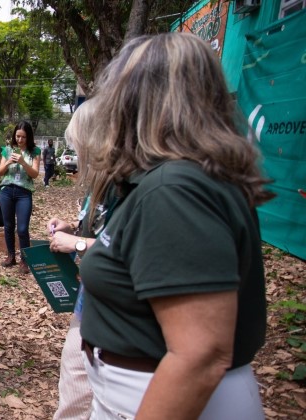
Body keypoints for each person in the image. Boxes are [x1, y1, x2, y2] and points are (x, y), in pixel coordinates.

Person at [78, 32, 273, 419]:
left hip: (165, 399)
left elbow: (199, 355)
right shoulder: (190, 180)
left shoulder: (175, 191)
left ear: (137, 101)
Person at [44, 100, 105, 420]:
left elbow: (127, 248)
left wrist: (77, 243)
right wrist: (73, 226)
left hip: (113, 314)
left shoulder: (136, 187)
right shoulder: (99, 184)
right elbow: (102, 228)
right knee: (73, 390)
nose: (77, 156)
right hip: (89, 302)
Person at [0, 121, 41, 272]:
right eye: (18, 136)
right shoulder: (7, 150)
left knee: (22, 229)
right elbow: (0, 172)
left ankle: (24, 260)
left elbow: (34, 174)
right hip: (7, 191)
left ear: (28, 137)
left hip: (24, 193)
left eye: (23, 137)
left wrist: (23, 162)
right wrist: (9, 161)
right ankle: (11, 256)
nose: (20, 140)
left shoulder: (34, 151)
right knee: (8, 226)